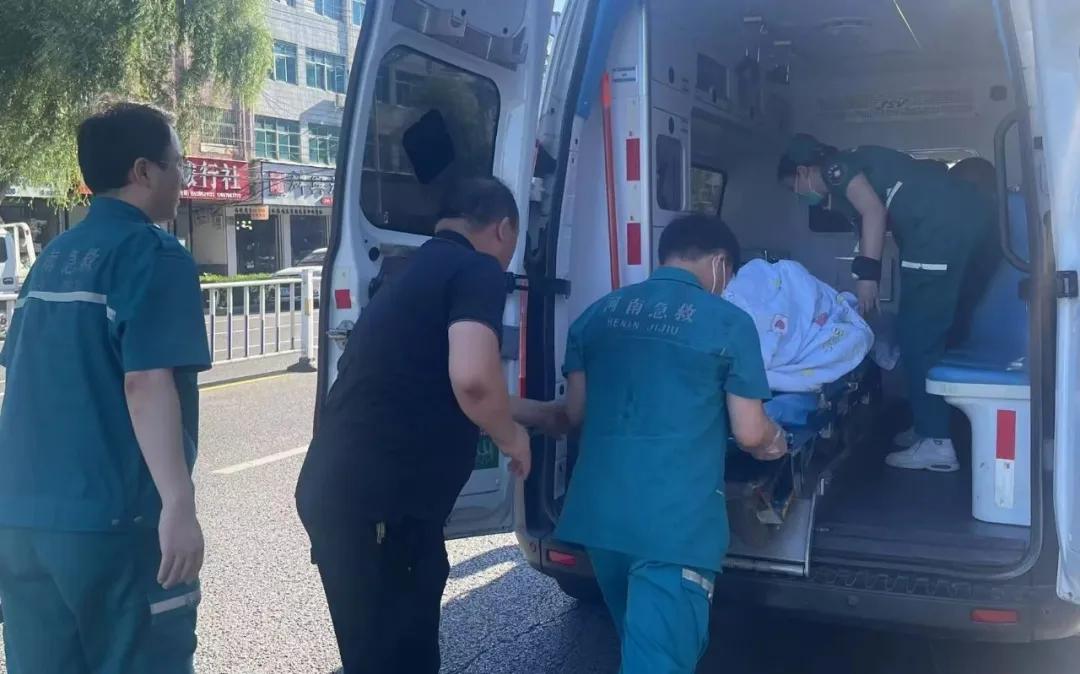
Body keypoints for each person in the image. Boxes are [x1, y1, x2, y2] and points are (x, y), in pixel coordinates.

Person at [0, 103, 210, 673]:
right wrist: (178, 505)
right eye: (178, 164)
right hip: (113, 527)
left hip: (22, 526)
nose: (183, 178)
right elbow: (146, 382)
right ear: (143, 171)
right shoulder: (154, 254)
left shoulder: (52, 260)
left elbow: (21, 377)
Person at [295, 177, 533, 674]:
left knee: (375, 655)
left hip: (342, 494)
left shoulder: (407, 271)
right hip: (382, 508)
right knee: (401, 659)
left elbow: (440, 381)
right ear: (502, 228)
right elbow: (473, 381)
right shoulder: (478, 269)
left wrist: (540, 413)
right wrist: (514, 440)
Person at [533, 214, 788, 674]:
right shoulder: (729, 323)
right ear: (720, 263)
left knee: (641, 648)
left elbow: (572, 415)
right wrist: (776, 439)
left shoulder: (598, 315)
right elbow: (751, 432)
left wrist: (504, 409)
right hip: (674, 529)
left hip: (602, 521)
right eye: (729, 276)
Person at [778, 134, 994, 472]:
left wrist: (868, 277)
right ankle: (927, 427)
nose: (798, 194)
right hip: (950, 226)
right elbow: (869, 226)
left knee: (918, 335)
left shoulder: (836, 169)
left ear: (804, 171)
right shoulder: (855, 167)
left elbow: (874, 212)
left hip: (937, 231)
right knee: (920, 330)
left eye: (794, 186)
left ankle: (937, 442)